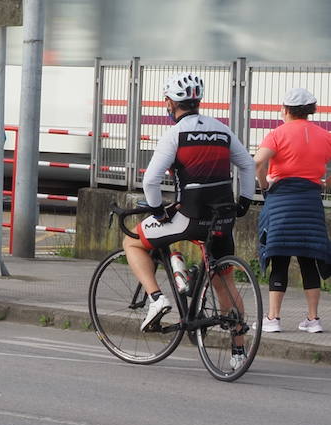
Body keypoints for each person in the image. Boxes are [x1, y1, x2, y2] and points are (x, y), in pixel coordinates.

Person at [122, 72, 256, 338]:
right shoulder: (222, 129)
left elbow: (151, 181)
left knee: (133, 241)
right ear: (198, 100)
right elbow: (248, 165)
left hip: (190, 217)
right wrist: (245, 202)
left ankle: (158, 298)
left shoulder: (175, 134)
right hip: (223, 218)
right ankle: (239, 351)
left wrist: (159, 211)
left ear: (170, 103)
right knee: (224, 282)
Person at [254, 87, 331, 333]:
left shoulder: (277, 134)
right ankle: (313, 319)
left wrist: (264, 183)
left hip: (281, 201)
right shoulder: (325, 135)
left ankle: (273, 319)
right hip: (310, 200)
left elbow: (258, 161)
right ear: (310, 111)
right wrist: (326, 183)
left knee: (280, 258)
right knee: (309, 258)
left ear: (285, 110)